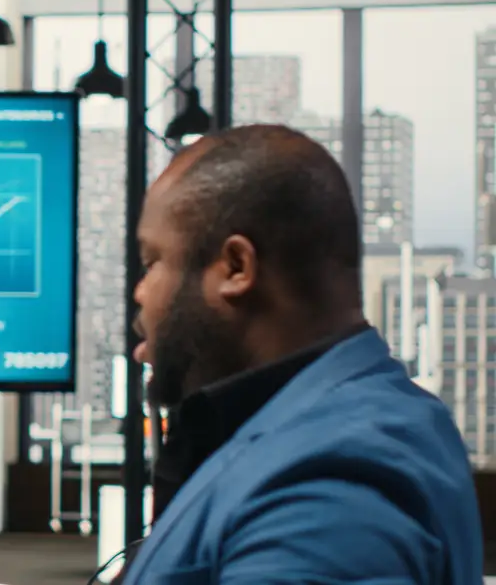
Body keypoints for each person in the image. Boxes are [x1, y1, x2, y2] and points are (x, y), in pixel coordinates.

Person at [114, 125, 484, 584]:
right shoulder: (325, 426)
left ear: (235, 268)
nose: (140, 293)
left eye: (153, 263)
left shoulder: (334, 482)